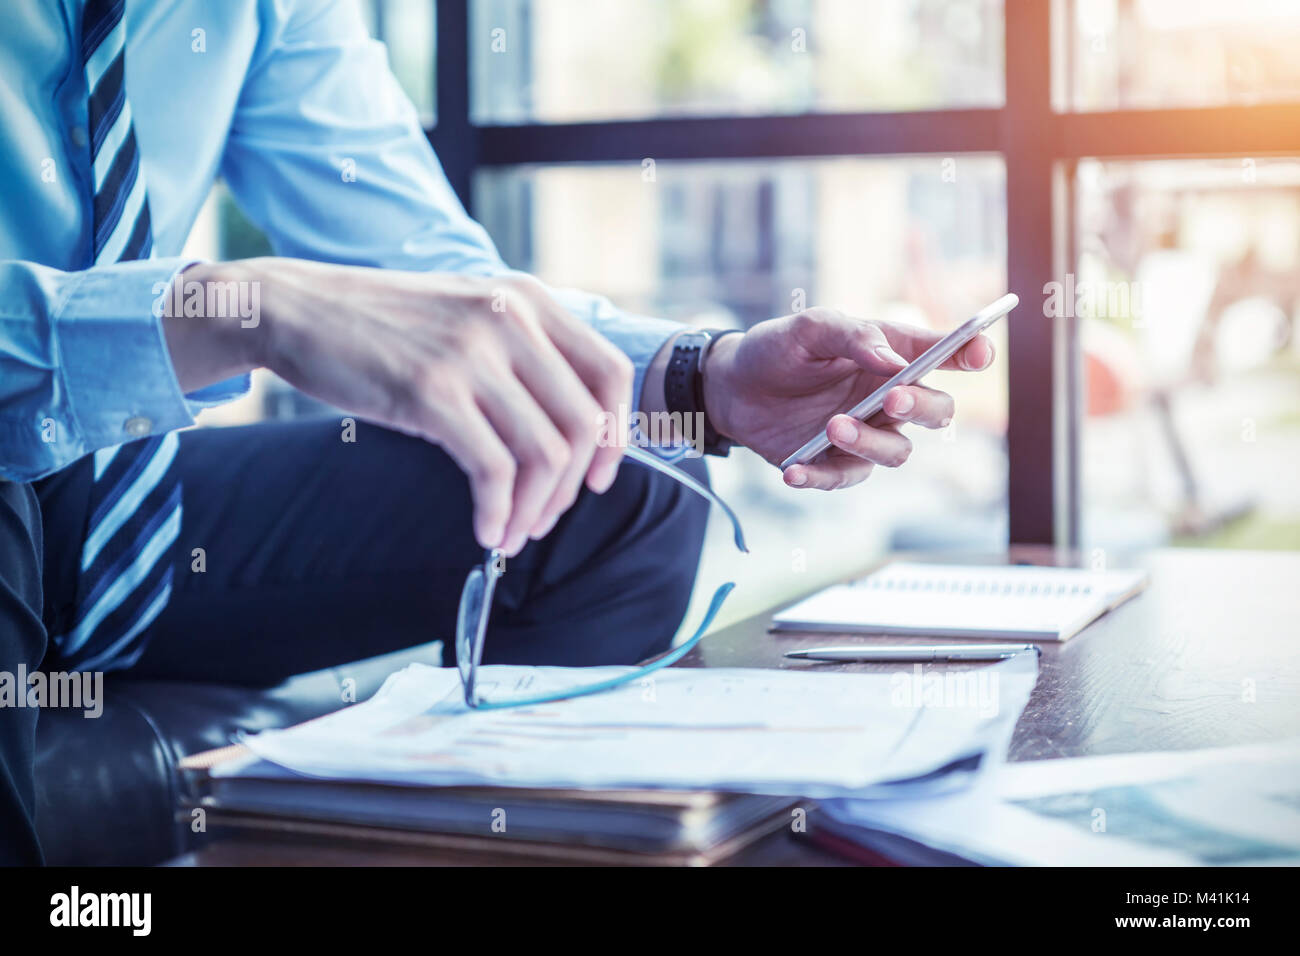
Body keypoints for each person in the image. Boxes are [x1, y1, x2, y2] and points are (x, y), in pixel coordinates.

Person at [0, 0, 995, 865]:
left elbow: (434, 272)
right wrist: (237, 306)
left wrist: (704, 379)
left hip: (121, 509)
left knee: (613, 486)